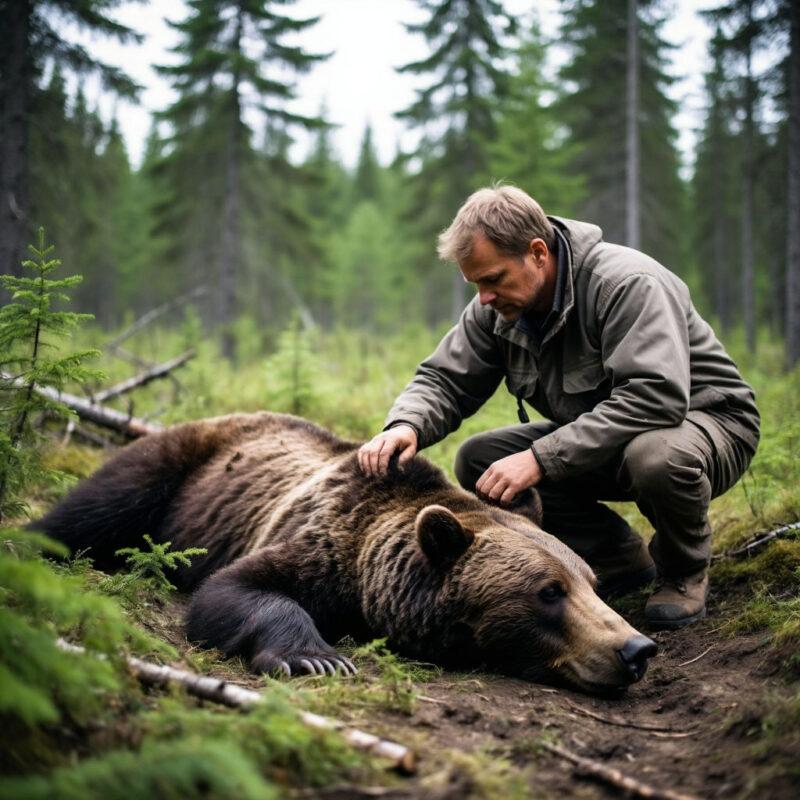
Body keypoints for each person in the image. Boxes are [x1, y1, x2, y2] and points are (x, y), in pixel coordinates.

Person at [357, 185, 759, 630]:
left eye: (493, 279)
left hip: (706, 426)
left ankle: (683, 572)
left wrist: (539, 458)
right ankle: (619, 559)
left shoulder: (625, 284)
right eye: (476, 285)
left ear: (537, 253)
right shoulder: (497, 308)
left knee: (655, 457)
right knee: (481, 460)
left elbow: (655, 395)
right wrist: (406, 425)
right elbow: (446, 378)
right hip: (611, 437)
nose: (485, 297)